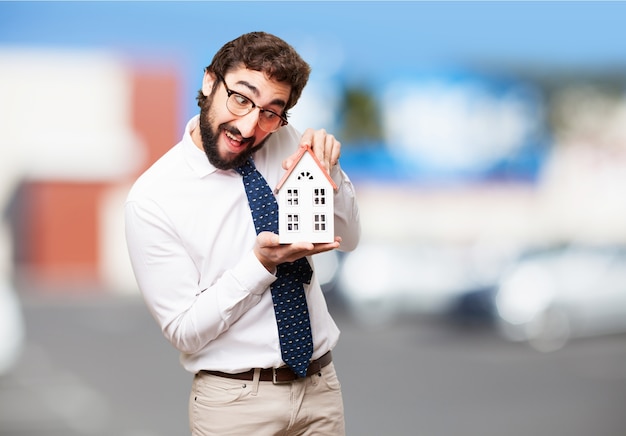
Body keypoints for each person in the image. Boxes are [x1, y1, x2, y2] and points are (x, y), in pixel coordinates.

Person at [125, 31, 360, 435]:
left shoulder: (284, 138)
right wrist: (259, 265)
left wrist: (330, 170)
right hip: (234, 405)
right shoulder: (153, 198)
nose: (250, 126)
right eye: (241, 98)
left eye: (272, 110)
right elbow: (184, 331)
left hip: (321, 390)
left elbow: (350, 238)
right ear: (209, 82)